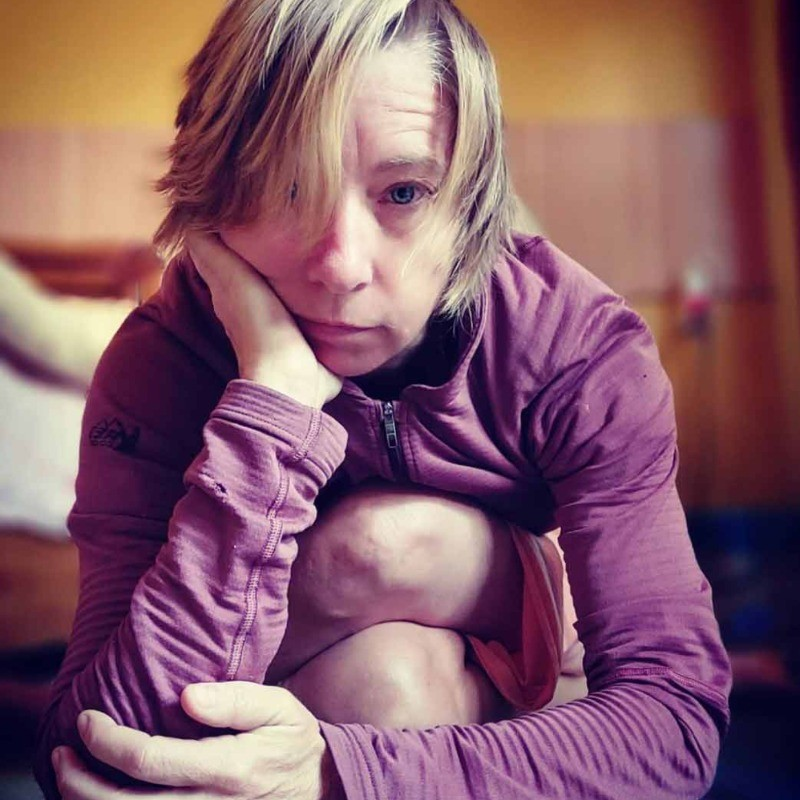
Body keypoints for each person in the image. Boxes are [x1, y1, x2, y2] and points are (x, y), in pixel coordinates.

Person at [36, 1, 731, 798]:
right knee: (389, 675)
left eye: (404, 192)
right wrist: (274, 402)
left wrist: (335, 772)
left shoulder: (576, 348)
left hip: (518, 687)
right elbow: (93, 756)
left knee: (392, 557)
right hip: (358, 688)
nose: (341, 266)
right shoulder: (161, 361)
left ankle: (527, 617)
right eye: (284, 186)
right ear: (211, 193)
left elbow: (675, 725)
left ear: (471, 200)